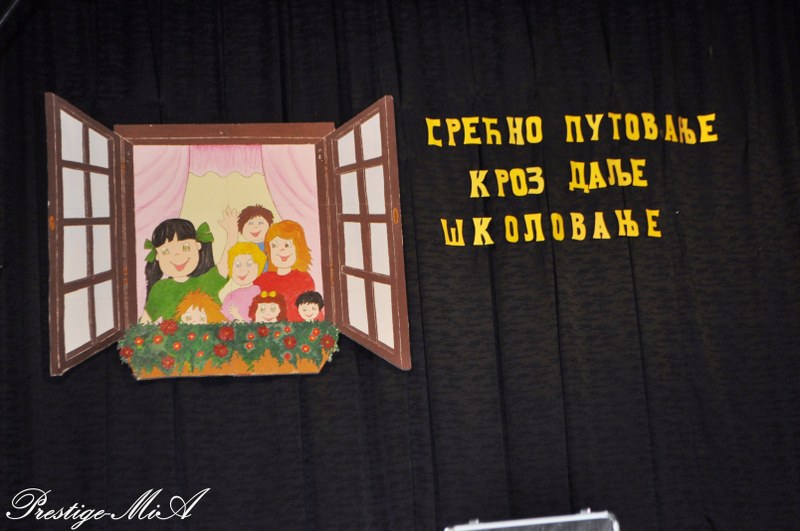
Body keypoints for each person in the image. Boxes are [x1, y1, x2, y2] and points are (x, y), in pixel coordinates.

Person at [140, 209, 238, 323]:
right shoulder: (160, 288)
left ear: (197, 246)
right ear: (157, 256)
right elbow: (146, 320)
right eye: (166, 251)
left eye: (185, 247)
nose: (177, 256)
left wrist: (232, 233)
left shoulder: (206, 280)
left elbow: (226, 263)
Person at [254, 220, 315, 321]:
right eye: (274, 246)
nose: (281, 250)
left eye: (286, 245)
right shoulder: (262, 280)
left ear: (298, 248)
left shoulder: (304, 280)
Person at [220, 242, 267, 321]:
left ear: (258, 266)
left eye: (249, 264)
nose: (242, 269)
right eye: (237, 265)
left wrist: (238, 316)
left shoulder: (258, 293)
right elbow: (223, 318)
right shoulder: (229, 296)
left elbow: (257, 320)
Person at [237, 204, 275, 272]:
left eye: (260, 223)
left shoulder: (273, 246)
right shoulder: (243, 249)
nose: (255, 227)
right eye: (250, 223)